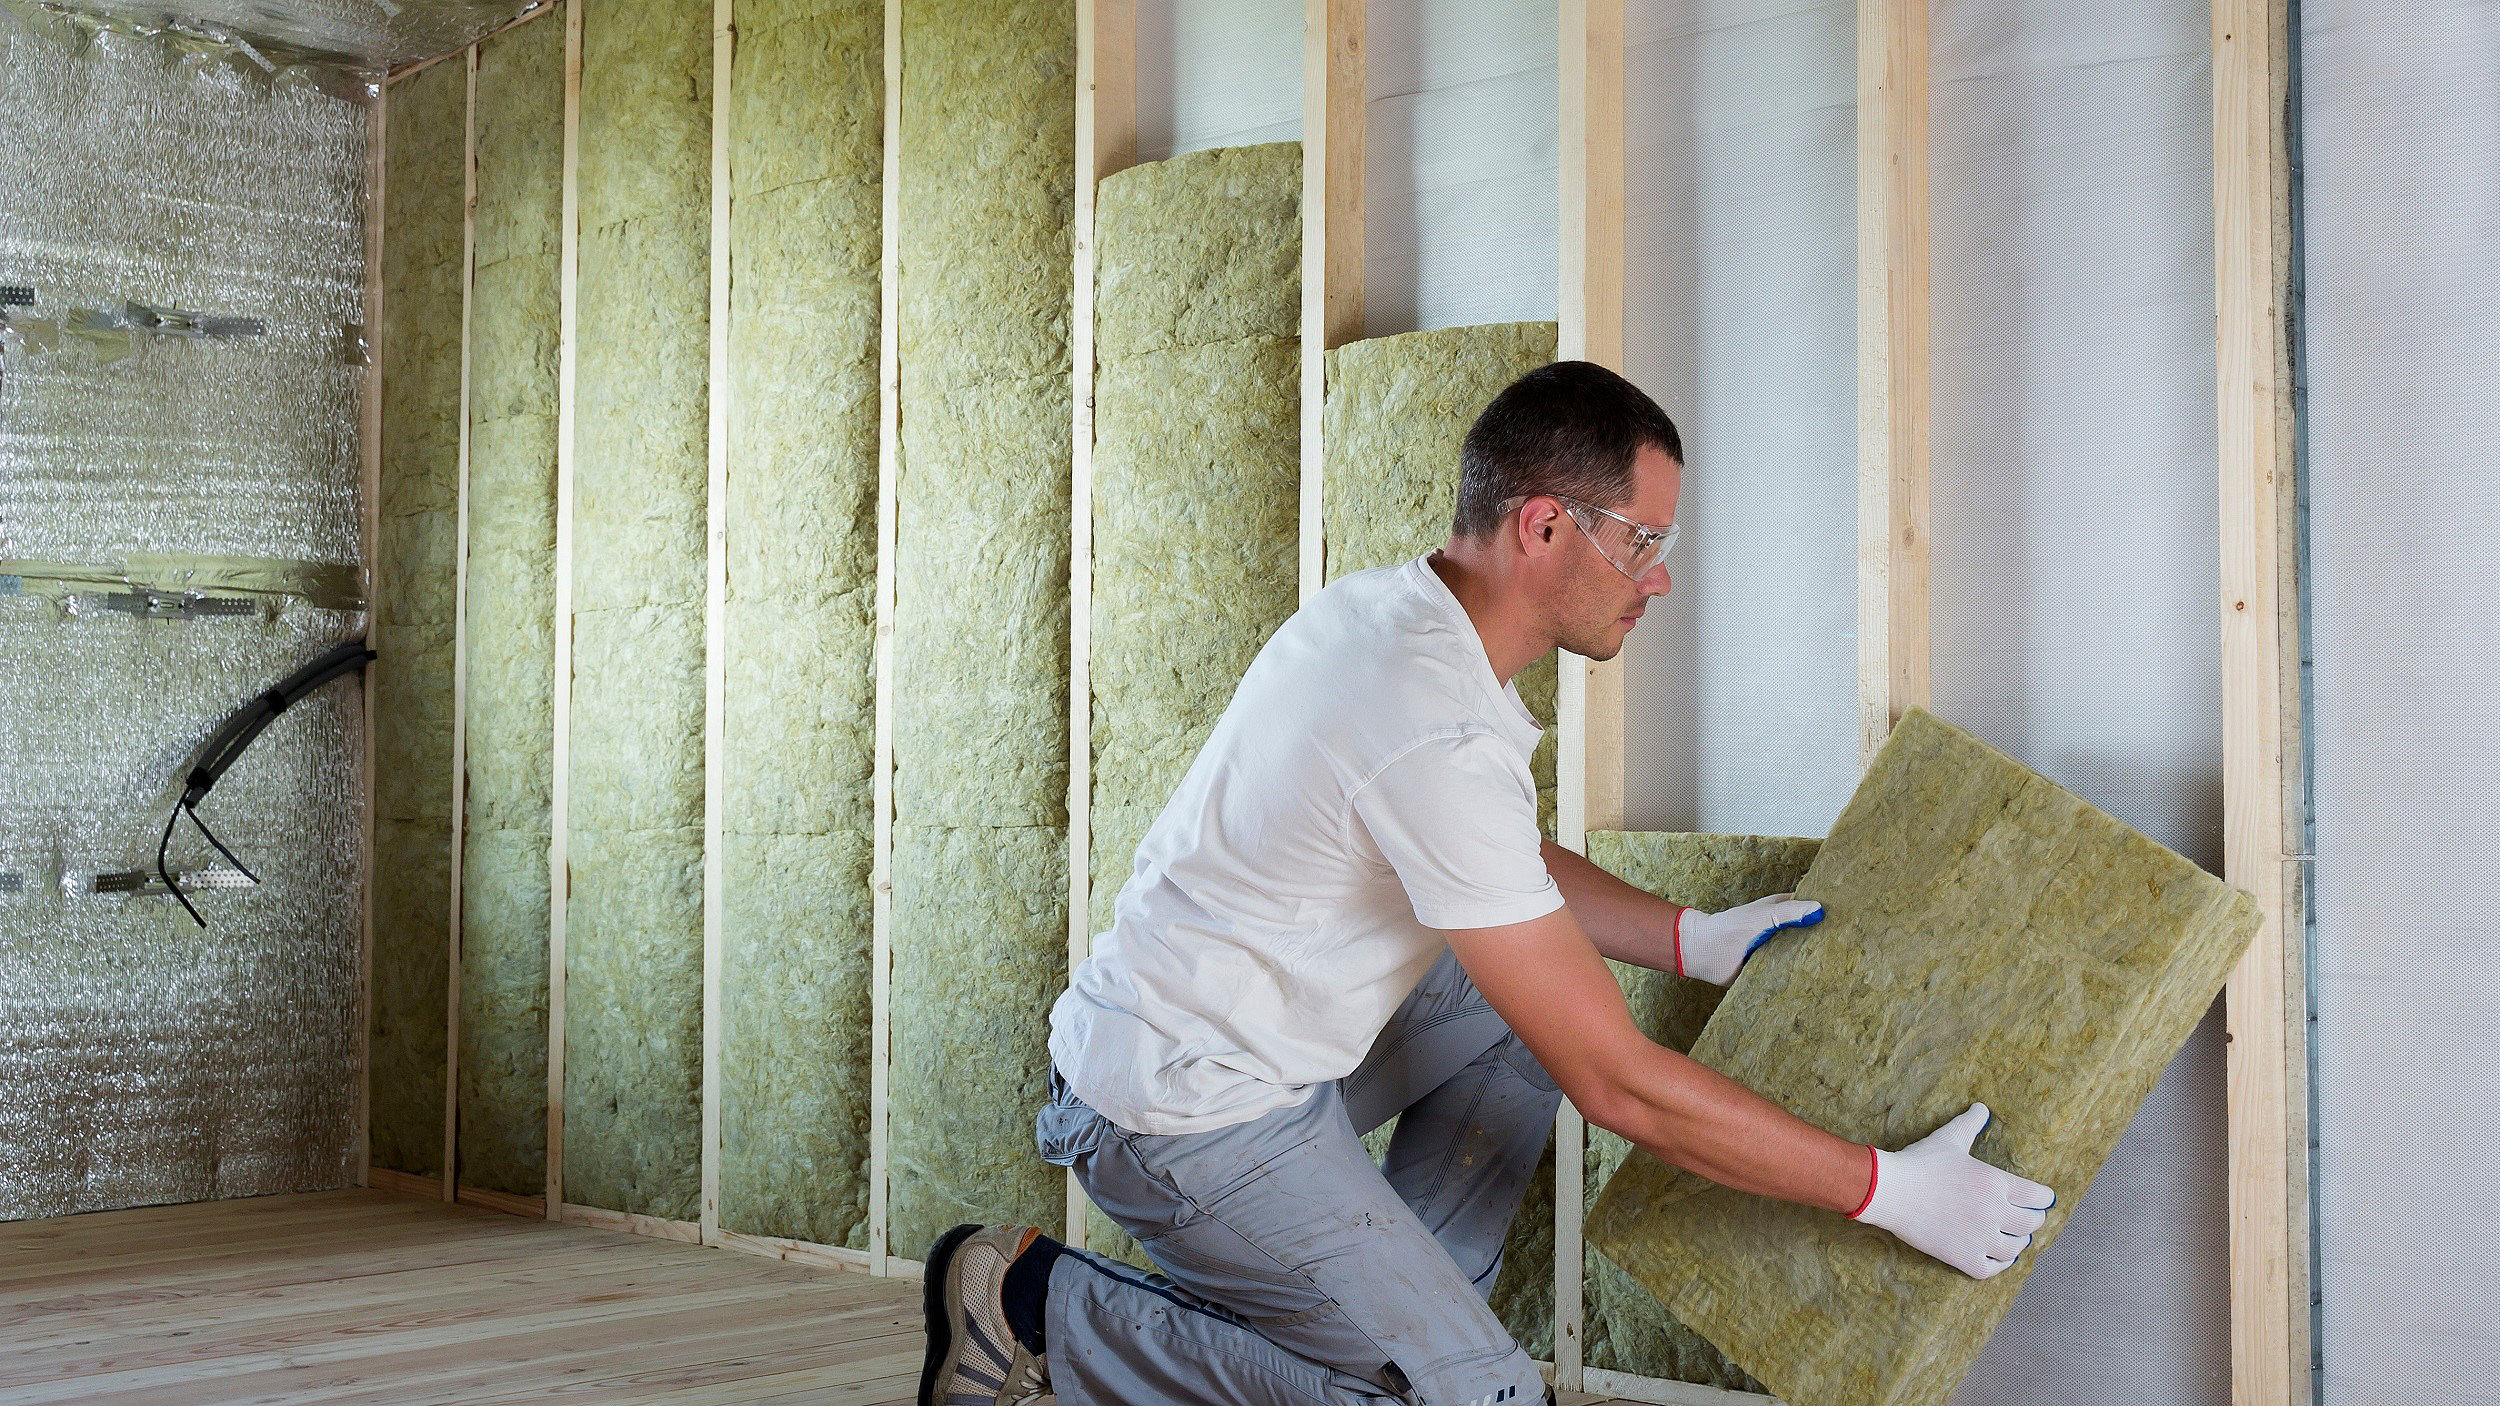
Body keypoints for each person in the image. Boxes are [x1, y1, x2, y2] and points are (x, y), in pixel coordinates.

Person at [916, 361, 2055, 1406]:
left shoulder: (1403, 615)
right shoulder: (1429, 719)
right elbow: (1622, 1086)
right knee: (1467, 1395)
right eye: (1643, 541)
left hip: (1246, 1044)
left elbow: (1500, 867)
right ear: (1545, 524)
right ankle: (1034, 1307)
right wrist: (1885, 1189)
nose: (1658, 578)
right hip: (1173, 1111)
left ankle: (1405, 1306)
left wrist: (1683, 934)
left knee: (1528, 997)